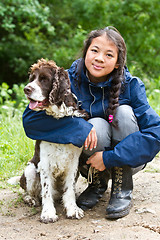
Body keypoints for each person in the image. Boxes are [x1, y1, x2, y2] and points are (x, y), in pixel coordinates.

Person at [23, 26, 160, 219]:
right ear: (86, 51)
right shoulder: (68, 79)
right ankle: (97, 183)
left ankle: (122, 187)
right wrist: (80, 127)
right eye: (94, 50)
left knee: (123, 112)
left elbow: (156, 132)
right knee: (95, 124)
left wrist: (109, 157)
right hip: (88, 162)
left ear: (118, 63)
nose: (99, 58)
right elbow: (30, 121)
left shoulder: (131, 86)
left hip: (125, 160)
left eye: (109, 54)